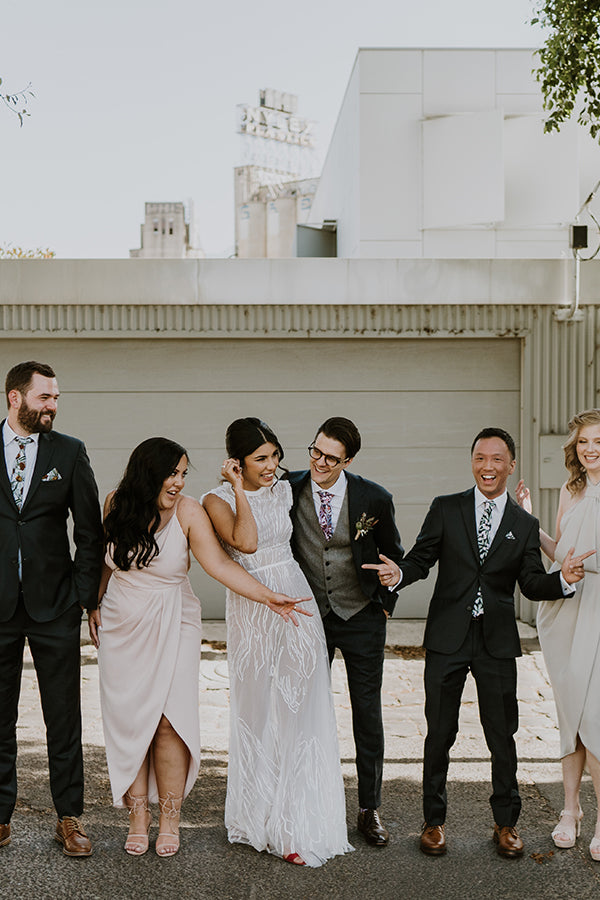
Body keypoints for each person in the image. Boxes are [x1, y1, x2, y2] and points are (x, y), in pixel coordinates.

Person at [89, 436, 307, 858]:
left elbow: (220, 564)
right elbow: (106, 559)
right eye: (171, 473)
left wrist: (266, 596)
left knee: (169, 722)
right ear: (147, 473)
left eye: (183, 474)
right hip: (121, 622)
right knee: (133, 721)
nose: (179, 482)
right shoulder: (115, 502)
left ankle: (170, 818)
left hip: (175, 619)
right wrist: (93, 604)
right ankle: (138, 817)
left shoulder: (189, 511)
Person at [393, 426, 590, 859]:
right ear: (472, 462)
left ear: (510, 465)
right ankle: (433, 822)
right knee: (439, 732)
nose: (488, 466)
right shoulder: (446, 508)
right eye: (480, 458)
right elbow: (421, 559)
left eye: (497, 459)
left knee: (502, 736)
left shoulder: (524, 524)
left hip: (496, 641)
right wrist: (399, 574)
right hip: (447, 637)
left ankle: (506, 824)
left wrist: (563, 579)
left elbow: (531, 583)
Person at [202, 418, 352, 867]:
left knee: (298, 709)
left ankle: (295, 823)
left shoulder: (286, 490)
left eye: (275, 456)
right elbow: (246, 543)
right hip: (252, 607)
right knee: (256, 711)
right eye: (260, 459)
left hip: (294, 602)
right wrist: (238, 488)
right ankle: (256, 818)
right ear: (236, 462)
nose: (271, 466)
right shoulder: (216, 500)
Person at [0, 361, 103, 857]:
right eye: (44, 397)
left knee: (63, 717)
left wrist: (84, 596)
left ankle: (69, 817)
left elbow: (89, 530)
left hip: (55, 606)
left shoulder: (69, 451)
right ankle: (0, 817)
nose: (53, 406)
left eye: (56, 397)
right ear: (15, 398)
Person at [288, 417, 404, 847]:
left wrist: (386, 600)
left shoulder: (374, 498)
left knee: (367, 714)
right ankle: (304, 798)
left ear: (348, 461)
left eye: (331, 458)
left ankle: (369, 808)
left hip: (361, 617)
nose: (320, 462)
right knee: (303, 708)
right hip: (309, 616)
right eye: (315, 452)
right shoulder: (287, 488)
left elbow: (395, 555)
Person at [516, 409, 600, 861]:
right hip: (566, 605)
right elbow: (558, 552)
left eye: (598, 441)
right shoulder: (572, 489)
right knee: (570, 713)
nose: (590, 449)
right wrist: (529, 520)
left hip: (599, 608)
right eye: (583, 442)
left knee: (595, 714)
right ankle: (570, 810)